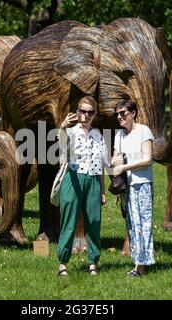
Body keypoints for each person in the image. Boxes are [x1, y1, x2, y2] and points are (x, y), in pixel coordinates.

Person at [57, 96, 109, 277]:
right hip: (73, 178)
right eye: (83, 111)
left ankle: (93, 262)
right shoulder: (70, 132)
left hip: (93, 180)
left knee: (94, 221)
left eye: (90, 112)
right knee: (69, 220)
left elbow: (101, 165)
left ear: (94, 114)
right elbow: (61, 144)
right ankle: (63, 262)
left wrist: (102, 190)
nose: (86, 115)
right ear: (77, 112)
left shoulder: (98, 136)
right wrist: (63, 126)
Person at [111, 100, 155, 277]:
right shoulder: (119, 136)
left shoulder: (144, 131)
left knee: (143, 224)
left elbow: (147, 159)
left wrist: (124, 167)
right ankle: (139, 260)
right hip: (127, 186)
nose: (120, 117)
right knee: (132, 224)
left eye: (123, 113)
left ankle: (141, 266)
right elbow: (115, 158)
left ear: (133, 113)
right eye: (117, 114)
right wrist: (115, 162)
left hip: (143, 184)